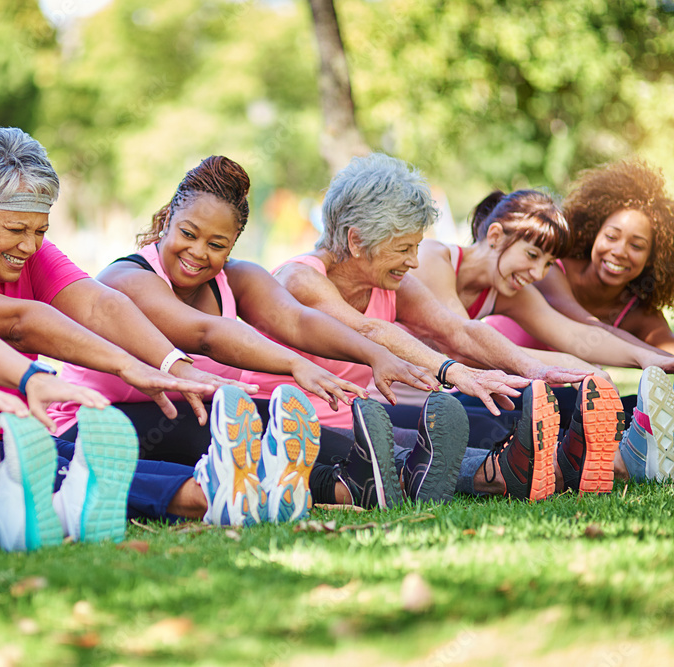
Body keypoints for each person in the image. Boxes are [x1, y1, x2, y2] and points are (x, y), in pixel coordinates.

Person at [0, 128, 326, 526]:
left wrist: (171, 364)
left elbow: (100, 304)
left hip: (8, 430)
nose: (29, 245)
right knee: (51, 473)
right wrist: (128, 366)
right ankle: (212, 496)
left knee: (79, 460)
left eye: (39, 231)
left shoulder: (31, 256)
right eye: (16, 230)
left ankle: (239, 486)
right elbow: (19, 324)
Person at [59, 154, 480, 513]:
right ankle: (378, 476)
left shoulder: (236, 278)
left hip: (184, 421)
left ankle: (401, 475)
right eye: (188, 234)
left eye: (217, 244)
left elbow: (298, 320)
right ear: (168, 220)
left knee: (233, 416)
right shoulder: (127, 277)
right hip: (90, 427)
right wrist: (295, 364)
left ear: (234, 244)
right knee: (221, 414)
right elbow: (204, 334)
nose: (198, 253)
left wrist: (375, 354)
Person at [264, 153, 600, 502]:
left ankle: (536, 468)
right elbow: (368, 331)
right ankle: (504, 473)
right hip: (282, 417)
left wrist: (534, 369)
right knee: (399, 452)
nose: (413, 261)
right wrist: (451, 371)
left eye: (417, 247)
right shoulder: (301, 278)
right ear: (356, 241)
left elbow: (458, 331)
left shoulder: (393, 284)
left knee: (434, 439)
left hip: (349, 417)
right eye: (404, 248)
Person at [410, 187, 674, 496]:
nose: (537, 273)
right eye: (533, 255)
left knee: (563, 407)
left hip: (464, 397)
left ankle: (639, 440)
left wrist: (644, 357)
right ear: (495, 235)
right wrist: (577, 370)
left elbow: (575, 334)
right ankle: (619, 454)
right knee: (519, 421)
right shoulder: (432, 257)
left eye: (548, 263)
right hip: (427, 403)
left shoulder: (510, 290)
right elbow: (463, 342)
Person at [485, 161, 674, 481]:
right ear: (595, 232)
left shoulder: (640, 312)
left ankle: (638, 450)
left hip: (555, 400)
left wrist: (663, 361)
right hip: (503, 387)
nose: (619, 251)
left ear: (654, 258)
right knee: (582, 403)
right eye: (612, 236)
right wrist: (649, 357)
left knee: (625, 406)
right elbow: (582, 326)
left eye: (637, 246)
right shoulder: (550, 270)